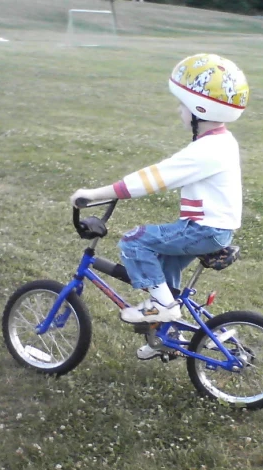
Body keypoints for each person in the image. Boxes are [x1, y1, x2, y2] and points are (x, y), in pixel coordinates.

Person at [70, 53, 249, 333]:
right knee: (165, 269)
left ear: (201, 109)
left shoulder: (206, 150)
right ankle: (166, 335)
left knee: (134, 241)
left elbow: (154, 178)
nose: (179, 110)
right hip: (214, 229)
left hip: (203, 229)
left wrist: (95, 194)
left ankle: (164, 308)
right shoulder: (223, 142)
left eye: (183, 105)